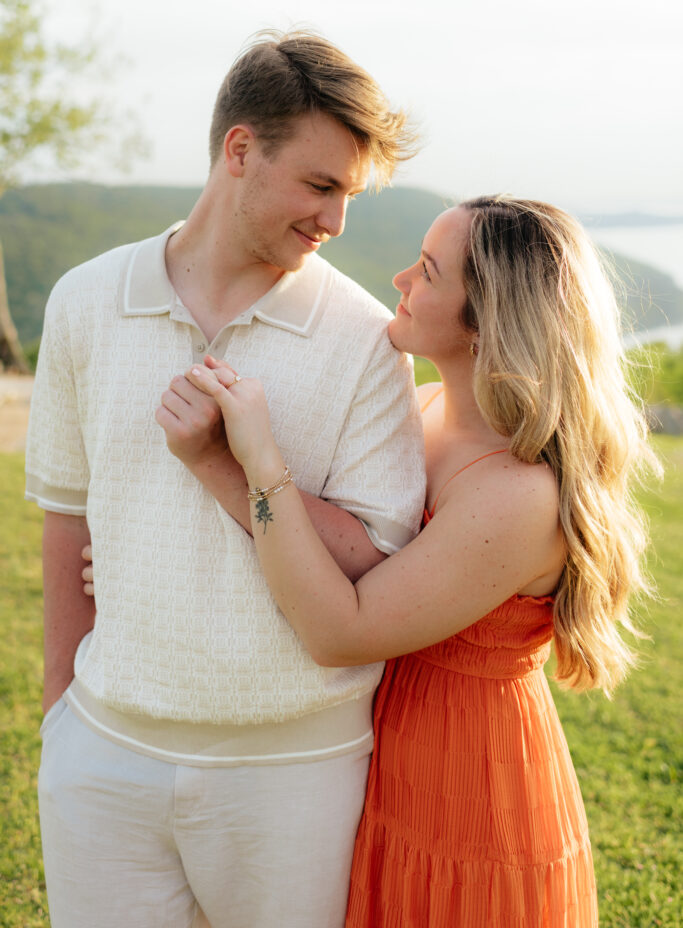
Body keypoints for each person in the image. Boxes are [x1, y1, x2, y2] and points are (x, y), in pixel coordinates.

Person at [24, 29, 427, 928]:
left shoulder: (364, 341)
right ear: (240, 151)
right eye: (321, 186)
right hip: (103, 759)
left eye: (349, 196)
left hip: (294, 778)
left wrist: (237, 464)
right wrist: (63, 720)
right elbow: (65, 517)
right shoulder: (85, 299)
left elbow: (370, 565)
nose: (335, 222)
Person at [182, 196, 658, 927]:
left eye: (429, 271)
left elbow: (340, 625)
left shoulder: (517, 493)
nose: (400, 277)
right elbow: (339, 552)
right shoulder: (425, 407)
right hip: (389, 755)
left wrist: (238, 461)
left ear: (487, 320)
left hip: (469, 788)